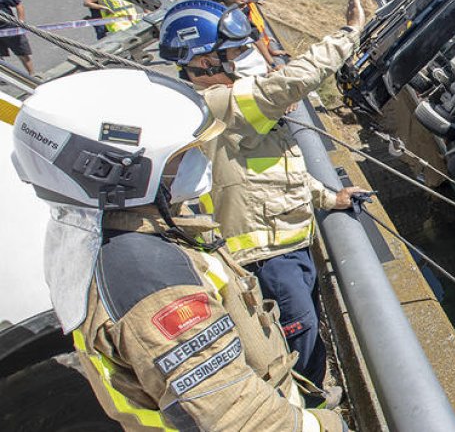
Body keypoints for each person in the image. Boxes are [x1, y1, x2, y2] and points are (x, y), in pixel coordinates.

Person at [9, 69, 346, 430]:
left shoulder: (94, 233)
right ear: (122, 175)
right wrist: (328, 426)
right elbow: (242, 419)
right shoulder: (152, 282)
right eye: (180, 156)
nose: (199, 159)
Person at [159, 0, 367, 392]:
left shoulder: (222, 105)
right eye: (232, 53)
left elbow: (269, 171)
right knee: (298, 343)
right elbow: (294, 80)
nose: (241, 60)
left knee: (305, 333)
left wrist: (329, 198)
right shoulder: (217, 104)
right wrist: (350, 32)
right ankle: (312, 406)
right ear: (203, 61)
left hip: (286, 248)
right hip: (266, 260)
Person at [212, 0, 285, 67]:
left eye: (245, 2)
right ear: (222, 5)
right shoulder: (213, 25)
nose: (245, 6)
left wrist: (272, 64)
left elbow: (256, 37)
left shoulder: (240, 14)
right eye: (240, 5)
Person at [0, 0, 35, 76]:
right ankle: (6, 77)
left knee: (22, 53)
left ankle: (32, 75)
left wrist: (21, 22)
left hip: (10, 28)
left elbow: (18, 4)